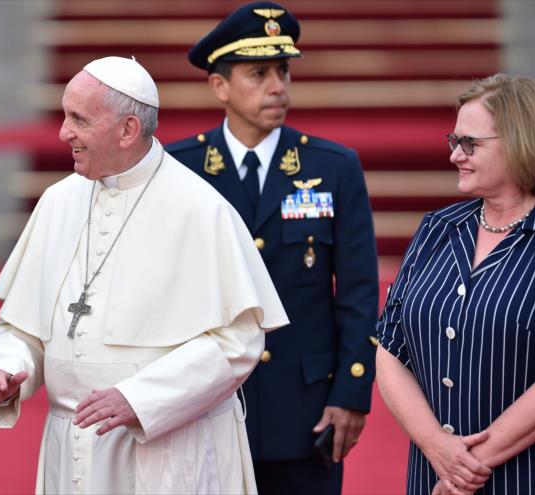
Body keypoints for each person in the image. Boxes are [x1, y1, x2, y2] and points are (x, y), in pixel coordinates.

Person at [0, 56, 288, 494]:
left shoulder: (201, 209)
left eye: (78, 120)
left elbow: (238, 341)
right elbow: (21, 326)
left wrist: (140, 399)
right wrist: (9, 368)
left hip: (168, 452)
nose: (64, 132)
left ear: (127, 130)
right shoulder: (56, 202)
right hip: (72, 448)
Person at [166, 3, 379, 493]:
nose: (278, 85)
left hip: (305, 412)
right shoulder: (180, 170)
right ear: (220, 86)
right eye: (258, 73)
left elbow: (359, 292)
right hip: (205, 404)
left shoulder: (333, 167)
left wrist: (351, 391)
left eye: (283, 71)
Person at [376, 73, 535, 495]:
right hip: (432, 475)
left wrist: (466, 466)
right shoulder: (439, 228)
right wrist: (436, 446)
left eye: (470, 143)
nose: (456, 155)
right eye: (453, 141)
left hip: (528, 477)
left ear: (521, 141)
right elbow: (390, 347)